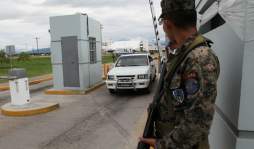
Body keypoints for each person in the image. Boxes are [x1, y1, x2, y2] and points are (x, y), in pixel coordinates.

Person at [139, 0, 220, 148]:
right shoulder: (182, 55)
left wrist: (162, 145)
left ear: (168, 24)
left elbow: (198, 121)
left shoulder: (199, 57)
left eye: (163, 23)